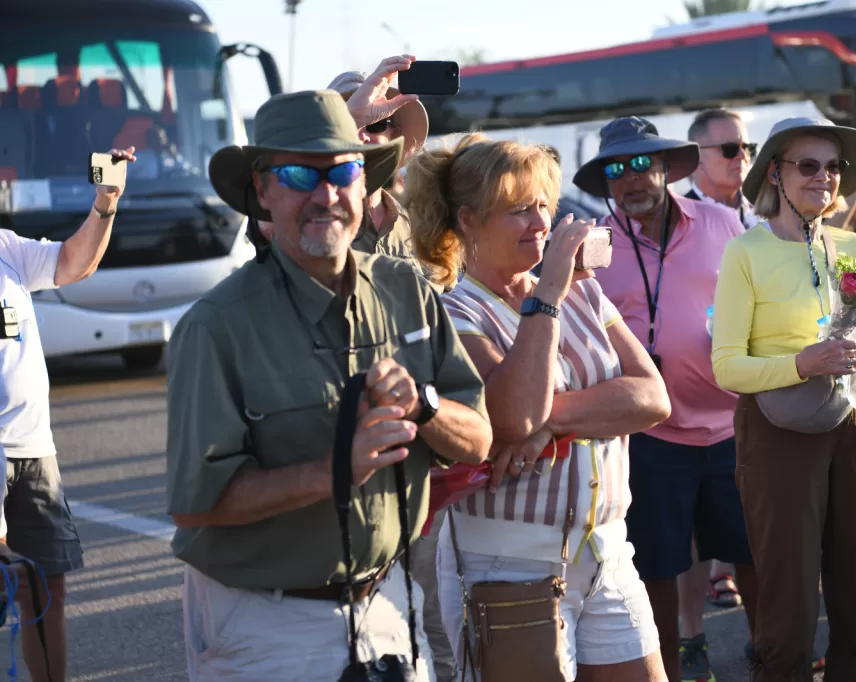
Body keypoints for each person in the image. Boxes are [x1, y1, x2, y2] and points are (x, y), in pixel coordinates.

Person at [165, 90, 493, 681]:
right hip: (265, 622)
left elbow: (477, 439)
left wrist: (423, 406)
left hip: (391, 601)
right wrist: (335, 470)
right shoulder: (215, 327)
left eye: (343, 171)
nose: (325, 195)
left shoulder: (406, 289)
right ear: (263, 191)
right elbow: (196, 504)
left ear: (364, 183)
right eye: (297, 174)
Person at [405, 133, 671, 682]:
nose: (541, 221)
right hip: (509, 562)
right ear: (469, 220)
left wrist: (549, 419)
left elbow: (652, 398)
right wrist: (547, 291)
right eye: (519, 209)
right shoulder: (453, 310)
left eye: (545, 205)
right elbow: (511, 418)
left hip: (608, 549)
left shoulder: (586, 293)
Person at [572, 115, 756, 682]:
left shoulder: (725, 223)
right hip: (648, 440)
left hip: (733, 426)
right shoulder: (591, 247)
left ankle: (775, 660)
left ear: (664, 168)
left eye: (639, 164)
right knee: (656, 572)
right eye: (614, 169)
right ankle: (670, 672)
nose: (628, 179)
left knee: (754, 559)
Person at [712, 116, 856, 681]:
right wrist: (801, 363)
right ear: (777, 174)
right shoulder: (746, 251)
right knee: (788, 601)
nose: (824, 177)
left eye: (833, 167)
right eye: (808, 165)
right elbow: (726, 367)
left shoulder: (853, 245)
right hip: (778, 432)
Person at [328, 56, 454, 681]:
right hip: (344, 440)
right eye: (361, 124)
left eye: (383, 127)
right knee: (353, 633)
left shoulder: (420, 223)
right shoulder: (310, 218)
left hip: (423, 443)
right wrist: (345, 127)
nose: (373, 137)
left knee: (434, 622)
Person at [0, 145, 135, 682]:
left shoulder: (6, 248)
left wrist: (105, 202)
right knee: (12, 584)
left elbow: (73, 262)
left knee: (47, 582)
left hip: (33, 450)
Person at [327, 55, 429, 265]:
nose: (361, 136)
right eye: (345, 123)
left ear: (394, 135)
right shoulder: (310, 221)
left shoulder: (419, 229)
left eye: (375, 124)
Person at [686, 107, 760, 230]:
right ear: (696, 156)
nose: (742, 156)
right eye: (730, 149)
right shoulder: (678, 219)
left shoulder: (770, 210)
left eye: (747, 148)